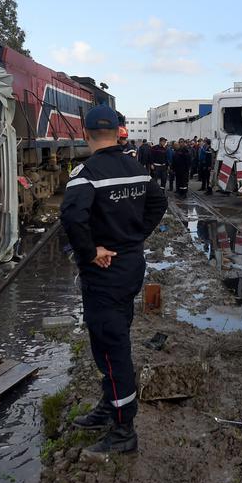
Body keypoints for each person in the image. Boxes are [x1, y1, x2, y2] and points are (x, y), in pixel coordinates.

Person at [63, 105, 168, 454]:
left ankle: (124, 431)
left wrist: (91, 252)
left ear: (86, 133)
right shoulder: (136, 168)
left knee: (112, 349)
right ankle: (111, 406)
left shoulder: (86, 173)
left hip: (104, 272)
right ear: (119, 132)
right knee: (107, 341)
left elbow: (73, 217)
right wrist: (136, 238)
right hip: (130, 268)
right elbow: (159, 202)